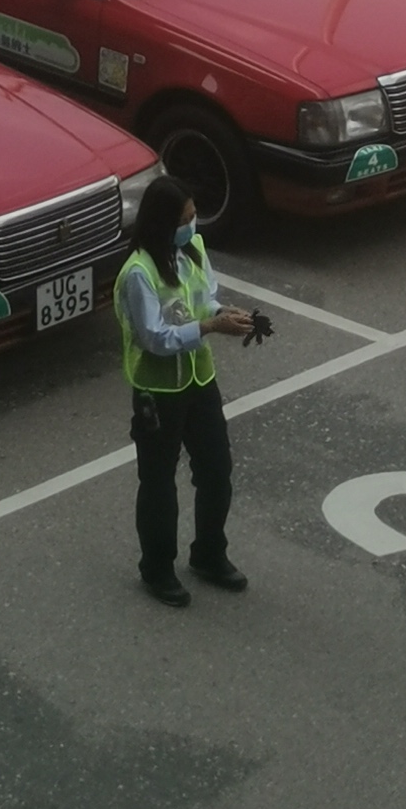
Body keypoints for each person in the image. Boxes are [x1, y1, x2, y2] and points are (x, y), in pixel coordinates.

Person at [115, 171, 259, 607]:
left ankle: (209, 554)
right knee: (159, 484)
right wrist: (211, 326)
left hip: (199, 379)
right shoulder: (138, 272)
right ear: (163, 222)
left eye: (193, 216)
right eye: (186, 218)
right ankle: (157, 568)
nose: (192, 226)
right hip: (158, 391)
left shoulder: (192, 248)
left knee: (216, 471)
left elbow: (206, 295)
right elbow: (155, 337)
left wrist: (222, 311)